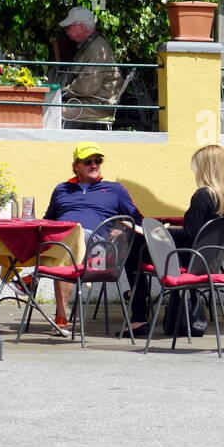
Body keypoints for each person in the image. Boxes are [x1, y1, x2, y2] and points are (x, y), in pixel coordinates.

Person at [139, 144, 224, 338]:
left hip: (188, 259)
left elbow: (190, 236)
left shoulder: (203, 195)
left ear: (205, 168)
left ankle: (138, 314)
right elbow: (200, 233)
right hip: (209, 262)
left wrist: (162, 234)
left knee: (139, 249)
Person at [43, 142, 143, 337]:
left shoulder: (115, 190)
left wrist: (122, 231)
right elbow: (48, 220)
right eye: (88, 161)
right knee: (62, 240)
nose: (94, 165)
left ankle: (32, 281)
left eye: (98, 161)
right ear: (76, 166)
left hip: (99, 252)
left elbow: (136, 219)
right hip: (66, 248)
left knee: (74, 232)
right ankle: (61, 320)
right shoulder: (61, 189)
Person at [58, 6, 123, 122]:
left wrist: (61, 92)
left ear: (82, 28)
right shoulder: (92, 44)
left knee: (51, 111)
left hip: (97, 106)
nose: (66, 31)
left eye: (69, 27)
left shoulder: (96, 48)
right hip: (91, 102)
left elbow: (86, 87)